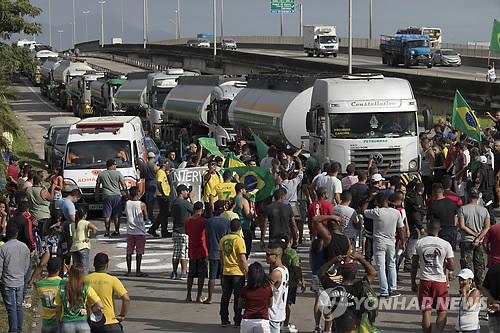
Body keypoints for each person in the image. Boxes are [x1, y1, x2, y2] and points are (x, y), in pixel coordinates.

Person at [411, 220, 455, 333]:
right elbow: (452, 266)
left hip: (425, 280)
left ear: (427, 228)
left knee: (426, 311)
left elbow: (414, 264)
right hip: (440, 282)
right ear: (439, 230)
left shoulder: (420, 243)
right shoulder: (445, 244)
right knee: (442, 310)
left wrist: (413, 282)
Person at [318, 252, 377, 331]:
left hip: (337, 328)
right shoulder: (360, 287)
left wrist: (334, 261)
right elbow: (372, 272)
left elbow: (321, 272)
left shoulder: (332, 287)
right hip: (354, 329)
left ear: (341, 274)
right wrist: (360, 258)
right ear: (355, 274)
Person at [361, 192, 405, 297]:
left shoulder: (377, 212)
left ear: (378, 202)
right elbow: (401, 228)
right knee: (391, 265)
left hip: (379, 242)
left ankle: (384, 291)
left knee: (381, 266)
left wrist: (369, 198)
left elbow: (362, 211)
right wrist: (403, 242)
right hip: (391, 242)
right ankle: (393, 289)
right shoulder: (396, 213)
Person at [85, 253, 130, 332]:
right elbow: (126, 299)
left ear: (94, 264)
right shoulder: (112, 280)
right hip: (110, 322)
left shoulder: (85, 279)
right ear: (107, 265)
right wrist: (122, 315)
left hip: (91, 322)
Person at [55, 263, 103, 333]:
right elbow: (100, 306)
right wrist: (88, 310)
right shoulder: (86, 288)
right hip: (82, 322)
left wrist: (58, 323)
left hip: (67, 323)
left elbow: (57, 310)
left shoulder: (62, 288)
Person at [0, 225, 31, 333]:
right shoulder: (24, 247)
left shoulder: (3, 248)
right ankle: (19, 329)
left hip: (8, 282)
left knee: (11, 308)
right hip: (20, 281)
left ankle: (13, 330)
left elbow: (0, 267)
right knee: (19, 306)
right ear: (17, 234)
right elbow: (27, 265)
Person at [458, 188, 491, 287]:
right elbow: (487, 227)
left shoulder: (463, 209)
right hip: (479, 242)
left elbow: (462, 226)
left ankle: (466, 287)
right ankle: (479, 287)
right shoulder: (484, 210)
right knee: (479, 266)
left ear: (468, 196)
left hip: (466, 241)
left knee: (466, 266)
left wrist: (473, 234)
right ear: (478, 197)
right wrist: (478, 237)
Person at [219, 218, 248, 327]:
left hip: (226, 271)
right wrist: (247, 271)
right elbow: (242, 258)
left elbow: (221, 256)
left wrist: (223, 268)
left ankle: (224, 319)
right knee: (238, 297)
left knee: (225, 296)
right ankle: (237, 319)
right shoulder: (239, 240)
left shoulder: (224, 239)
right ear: (240, 228)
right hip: (237, 272)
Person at [205, 200, 230, 304]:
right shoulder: (227, 222)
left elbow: (207, 237)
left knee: (212, 277)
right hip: (224, 253)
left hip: (213, 251)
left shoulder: (209, 221)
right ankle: (226, 298)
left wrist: (208, 248)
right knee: (224, 277)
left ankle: (210, 298)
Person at [95, 159, 128, 237]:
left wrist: (97, 194)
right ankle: (117, 231)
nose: (116, 166)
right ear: (112, 165)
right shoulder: (118, 173)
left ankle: (107, 232)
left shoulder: (101, 174)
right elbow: (123, 184)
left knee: (107, 215)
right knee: (117, 215)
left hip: (106, 196)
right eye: (115, 164)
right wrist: (127, 194)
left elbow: (97, 185)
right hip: (117, 196)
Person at [280, 233, 305, 332]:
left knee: (281, 302)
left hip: (280, 280)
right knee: (288, 304)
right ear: (290, 241)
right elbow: (296, 267)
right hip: (291, 282)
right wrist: (302, 279)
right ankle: (285, 324)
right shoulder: (292, 253)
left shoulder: (280, 252)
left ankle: (282, 322)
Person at [238, 262, 273, 333]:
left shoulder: (244, 289)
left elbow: (240, 305)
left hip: (247, 320)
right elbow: (270, 304)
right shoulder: (268, 289)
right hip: (263, 320)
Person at [184, 201, 208, 302]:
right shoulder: (204, 221)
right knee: (201, 275)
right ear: (202, 210)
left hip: (192, 249)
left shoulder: (188, 220)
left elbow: (187, 232)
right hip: (202, 249)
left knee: (191, 274)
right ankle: (199, 295)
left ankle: (188, 295)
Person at [170, 184, 195, 280]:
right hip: (184, 231)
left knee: (176, 252)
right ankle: (184, 272)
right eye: (186, 191)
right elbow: (195, 210)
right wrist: (192, 199)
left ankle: (174, 272)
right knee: (184, 253)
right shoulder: (184, 203)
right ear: (181, 192)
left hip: (176, 230)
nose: (188, 193)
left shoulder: (174, 202)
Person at [125, 186, 148, 277]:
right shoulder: (141, 204)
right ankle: (138, 270)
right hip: (139, 231)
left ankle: (129, 271)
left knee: (129, 251)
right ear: (137, 193)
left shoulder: (127, 203)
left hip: (130, 231)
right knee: (139, 252)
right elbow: (146, 217)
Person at [266, 244, 289, 333]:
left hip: (272, 314)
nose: (266, 257)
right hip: (279, 313)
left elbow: (265, 291)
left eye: (269, 254)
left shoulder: (276, 273)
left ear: (277, 256)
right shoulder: (284, 270)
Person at [36, 257, 62, 333]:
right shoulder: (63, 284)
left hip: (46, 322)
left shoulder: (39, 285)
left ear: (47, 269)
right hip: (59, 321)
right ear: (59, 269)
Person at [70, 206, 97, 276]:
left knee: (76, 269)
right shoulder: (85, 222)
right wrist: (89, 237)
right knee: (84, 268)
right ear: (85, 215)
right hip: (83, 246)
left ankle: (76, 283)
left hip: (74, 247)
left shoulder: (72, 224)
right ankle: (84, 284)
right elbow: (95, 229)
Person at [148, 158, 170, 238]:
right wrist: (163, 194)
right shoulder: (160, 172)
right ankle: (162, 230)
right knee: (164, 214)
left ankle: (154, 228)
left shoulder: (163, 172)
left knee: (163, 214)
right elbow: (159, 183)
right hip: (162, 196)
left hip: (164, 194)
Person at [455, 268, 481, 333]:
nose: (460, 282)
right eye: (460, 279)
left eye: (463, 280)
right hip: (460, 329)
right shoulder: (463, 294)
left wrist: (463, 291)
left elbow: (466, 307)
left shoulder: (475, 292)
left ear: (470, 281)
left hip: (471, 329)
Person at [475, 155, 497, 225]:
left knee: (479, 209)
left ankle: (482, 224)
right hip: (490, 192)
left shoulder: (480, 170)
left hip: (482, 192)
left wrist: (474, 190)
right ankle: (493, 223)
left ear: (480, 162)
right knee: (489, 209)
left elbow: (478, 182)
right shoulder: (490, 169)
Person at [234, 183, 254, 257]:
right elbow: (248, 215)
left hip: (235, 227)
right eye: (244, 189)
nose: (246, 190)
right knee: (246, 250)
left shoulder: (232, 200)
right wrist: (252, 216)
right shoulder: (243, 201)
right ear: (240, 190)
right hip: (244, 227)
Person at [143, 152, 158, 231]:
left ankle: (148, 216)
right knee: (152, 200)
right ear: (153, 158)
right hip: (153, 183)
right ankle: (150, 216)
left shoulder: (144, 165)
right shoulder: (154, 166)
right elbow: (158, 172)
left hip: (147, 183)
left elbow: (142, 174)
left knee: (148, 200)